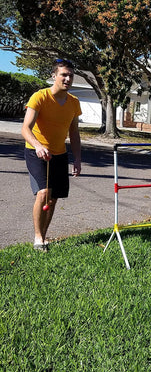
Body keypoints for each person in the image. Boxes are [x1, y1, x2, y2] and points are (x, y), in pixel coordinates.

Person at [21, 59, 82, 250]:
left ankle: (44, 236)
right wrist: (38, 146)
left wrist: (77, 159)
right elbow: (25, 128)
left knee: (53, 197)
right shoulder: (40, 97)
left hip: (59, 154)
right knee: (44, 192)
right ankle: (38, 238)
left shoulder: (74, 103)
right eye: (64, 74)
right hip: (36, 152)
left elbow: (74, 133)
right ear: (54, 76)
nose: (68, 78)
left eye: (70, 75)